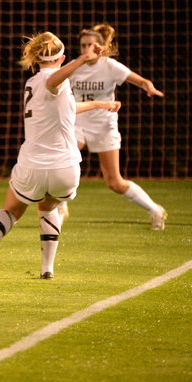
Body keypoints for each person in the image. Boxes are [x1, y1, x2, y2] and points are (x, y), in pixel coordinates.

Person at [0, 32, 120, 280]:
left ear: (36, 58)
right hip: (65, 166)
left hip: (32, 165)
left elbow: (65, 105)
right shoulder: (52, 80)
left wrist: (98, 104)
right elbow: (54, 81)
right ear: (62, 58)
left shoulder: (32, 82)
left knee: (12, 209)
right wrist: (83, 59)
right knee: (50, 207)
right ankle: (47, 269)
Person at [57, 24, 166, 230]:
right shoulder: (74, 66)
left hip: (104, 127)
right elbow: (53, 82)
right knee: (62, 160)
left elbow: (140, 80)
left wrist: (148, 86)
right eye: (83, 45)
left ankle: (155, 210)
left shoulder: (110, 66)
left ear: (99, 47)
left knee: (114, 182)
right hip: (77, 124)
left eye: (90, 45)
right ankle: (61, 207)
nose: (86, 49)